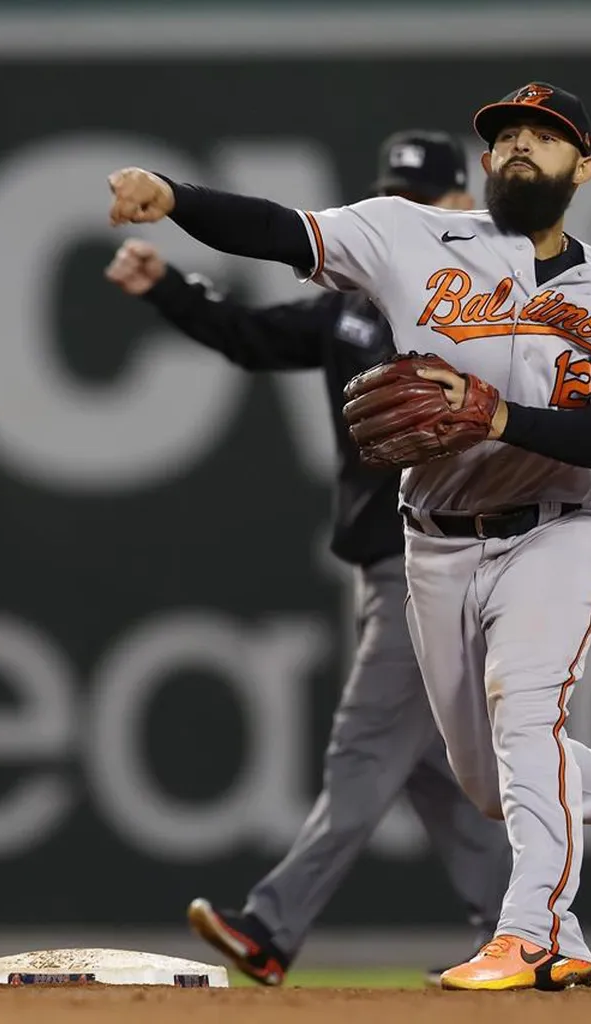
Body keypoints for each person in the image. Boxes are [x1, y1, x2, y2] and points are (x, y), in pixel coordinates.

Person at [104, 82, 591, 992]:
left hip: (556, 530)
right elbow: (276, 230)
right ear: (487, 162)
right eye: (508, 138)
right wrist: (177, 197)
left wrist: (501, 414)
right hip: (431, 540)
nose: (522, 149)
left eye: (546, 138)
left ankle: (538, 935)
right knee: (485, 778)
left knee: (525, 711)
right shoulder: (408, 233)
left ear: (584, 168)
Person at [104, 131, 510, 988]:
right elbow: (252, 337)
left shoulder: (481, 304)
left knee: (365, 748)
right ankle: (526, 927)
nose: (401, 210)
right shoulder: (353, 305)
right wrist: (169, 288)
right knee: (437, 767)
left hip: (434, 558)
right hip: (384, 560)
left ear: (458, 204)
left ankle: (271, 927)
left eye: (422, 198)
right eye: (391, 195)